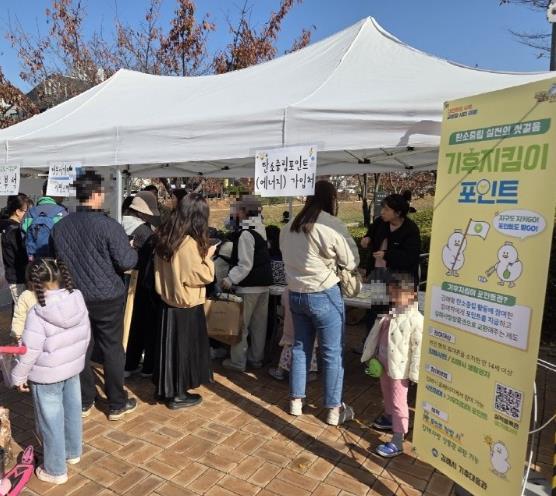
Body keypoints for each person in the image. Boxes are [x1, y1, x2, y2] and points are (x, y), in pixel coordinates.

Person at [52, 171, 138, 421]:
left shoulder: (60, 227)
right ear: (97, 194)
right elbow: (127, 261)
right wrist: (131, 248)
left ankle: (84, 400)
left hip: (74, 295)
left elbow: (56, 259)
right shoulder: (109, 226)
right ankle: (116, 403)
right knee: (112, 348)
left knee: (81, 349)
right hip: (107, 296)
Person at [280, 180, 359, 426]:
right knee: (331, 352)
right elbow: (352, 260)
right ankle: (334, 409)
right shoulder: (330, 224)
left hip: (296, 294)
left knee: (300, 347)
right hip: (324, 293)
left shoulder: (288, 226)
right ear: (331, 199)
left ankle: (296, 401)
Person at [11, 258, 90, 485]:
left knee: (50, 420)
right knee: (72, 410)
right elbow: (86, 334)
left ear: (33, 284)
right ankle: (72, 452)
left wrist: (18, 376)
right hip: (72, 368)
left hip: (46, 376)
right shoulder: (77, 298)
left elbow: (30, 351)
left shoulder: (38, 312)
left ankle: (55, 470)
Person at [153, 193, 216, 409]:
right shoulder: (188, 244)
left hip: (167, 302)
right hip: (186, 304)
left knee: (169, 350)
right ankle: (178, 394)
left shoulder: (166, 236)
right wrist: (208, 257)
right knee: (184, 350)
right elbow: (202, 275)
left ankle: (166, 390)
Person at [360, 273, 423, 458]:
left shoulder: (416, 319)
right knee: (386, 394)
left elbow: (418, 349)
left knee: (398, 401)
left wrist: (414, 373)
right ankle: (389, 418)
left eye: (398, 293)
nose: (394, 297)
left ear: (412, 294)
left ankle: (398, 438)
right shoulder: (392, 312)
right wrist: (372, 354)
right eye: (392, 293)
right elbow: (377, 335)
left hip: (399, 370)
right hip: (384, 364)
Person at [221, 196, 273, 372]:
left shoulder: (246, 233)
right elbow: (228, 224)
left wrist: (230, 279)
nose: (234, 212)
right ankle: (256, 358)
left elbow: (245, 264)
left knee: (241, 326)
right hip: (264, 284)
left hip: (248, 286)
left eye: (237, 209)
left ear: (243, 211)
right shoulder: (260, 227)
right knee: (259, 325)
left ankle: (237, 362)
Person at [121, 192, 159, 377]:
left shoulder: (116, 223)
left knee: (124, 324)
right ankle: (138, 364)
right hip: (141, 284)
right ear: (142, 212)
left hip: (119, 282)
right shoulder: (145, 232)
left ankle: (125, 364)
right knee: (141, 325)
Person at [360, 191, 421, 284]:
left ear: (398, 213)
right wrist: (367, 239)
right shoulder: (380, 222)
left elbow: (410, 257)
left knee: (398, 294)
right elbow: (370, 234)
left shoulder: (411, 229)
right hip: (377, 273)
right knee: (374, 294)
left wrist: (386, 255)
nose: (382, 212)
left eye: (386, 209)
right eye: (382, 208)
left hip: (402, 279)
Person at [21, 181, 68, 260]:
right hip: (55, 261)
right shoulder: (62, 213)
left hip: (33, 261)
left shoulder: (30, 213)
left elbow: (23, 237)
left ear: (42, 192)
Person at [0, 194, 32, 304]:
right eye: (28, 211)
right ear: (18, 212)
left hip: (11, 275)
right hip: (18, 277)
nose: (29, 215)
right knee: (23, 309)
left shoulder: (5, 226)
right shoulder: (15, 230)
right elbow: (22, 254)